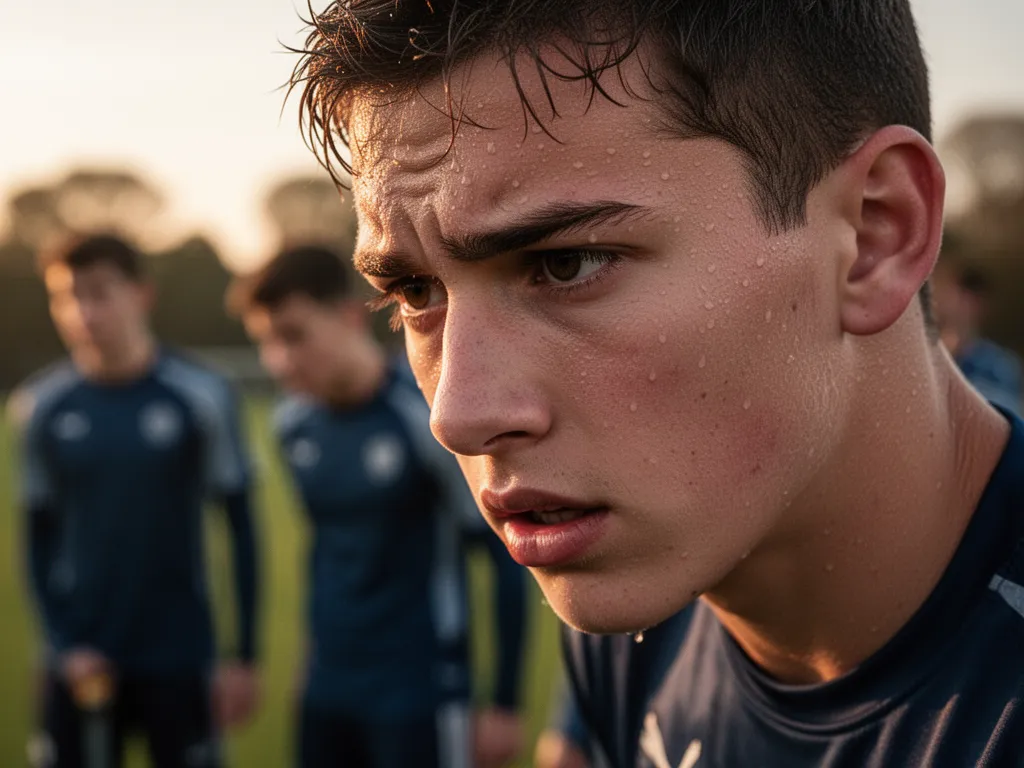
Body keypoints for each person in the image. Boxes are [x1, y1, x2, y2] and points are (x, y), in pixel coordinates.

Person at [287, 0, 1024, 765]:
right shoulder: (657, 592)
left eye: (566, 264)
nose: (455, 414)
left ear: (875, 233)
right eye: (416, 293)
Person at [230, 245, 528, 768]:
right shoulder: (292, 426)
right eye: (266, 342)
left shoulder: (425, 423)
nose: (278, 360)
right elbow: (329, 550)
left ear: (348, 317)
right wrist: (311, 660)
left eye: (294, 335)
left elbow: (501, 559)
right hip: (329, 685)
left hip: (418, 688)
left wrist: (504, 701)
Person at [9, 233, 260, 768]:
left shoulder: (202, 398)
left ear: (141, 294)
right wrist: (60, 644)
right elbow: (36, 538)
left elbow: (241, 530)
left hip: (180, 654)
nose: (82, 312)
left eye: (98, 293)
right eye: (66, 296)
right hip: (82, 652)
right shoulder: (39, 408)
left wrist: (243, 656)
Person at [931, 258, 1022, 415]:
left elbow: (1004, 414)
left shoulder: (999, 365)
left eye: (970, 299)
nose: (962, 305)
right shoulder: (925, 353)